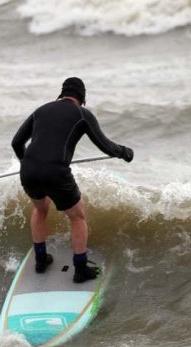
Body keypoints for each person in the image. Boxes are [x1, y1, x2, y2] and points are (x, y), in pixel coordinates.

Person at [11, 77, 134, 283]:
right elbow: (105, 146)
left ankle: (41, 259)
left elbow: (16, 142)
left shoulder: (41, 110)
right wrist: (124, 152)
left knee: (40, 209)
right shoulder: (82, 114)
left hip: (29, 171)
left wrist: (28, 162)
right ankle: (80, 268)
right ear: (82, 97)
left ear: (62, 93)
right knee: (77, 217)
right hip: (56, 172)